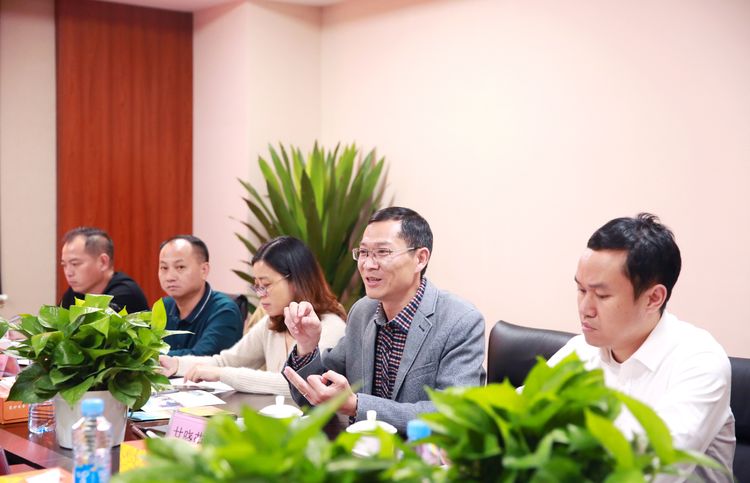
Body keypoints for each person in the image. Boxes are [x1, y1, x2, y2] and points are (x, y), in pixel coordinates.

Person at [548, 213, 734, 482]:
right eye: (581, 290)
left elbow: (652, 472)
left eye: (601, 295)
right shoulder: (580, 352)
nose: (585, 308)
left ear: (653, 298)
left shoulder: (700, 362)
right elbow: (516, 417)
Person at [283, 207, 486, 433]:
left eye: (382, 252)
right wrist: (307, 345)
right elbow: (317, 399)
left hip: (422, 452)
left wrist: (357, 406)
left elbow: (454, 414)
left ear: (420, 259)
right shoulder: (362, 312)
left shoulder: (460, 320)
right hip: (360, 450)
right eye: (363, 252)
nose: (368, 264)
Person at [159, 236, 347, 397]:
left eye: (266, 284)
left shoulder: (330, 325)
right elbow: (226, 361)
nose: (260, 293)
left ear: (296, 281)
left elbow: (297, 384)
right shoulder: (272, 323)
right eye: (257, 286)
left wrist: (222, 374)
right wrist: (176, 364)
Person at [159, 235, 243, 356]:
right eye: (164, 268)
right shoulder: (163, 307)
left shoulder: (225, 311)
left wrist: (152, 358)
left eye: (180, 267)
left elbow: (202, 356)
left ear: (204, 270)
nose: (170, 277)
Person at [60, 227, 148, 313]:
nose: (68, 272)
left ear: (103, 262)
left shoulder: (125, 295)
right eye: (64, 265)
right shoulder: (74, 293)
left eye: (75, 264)